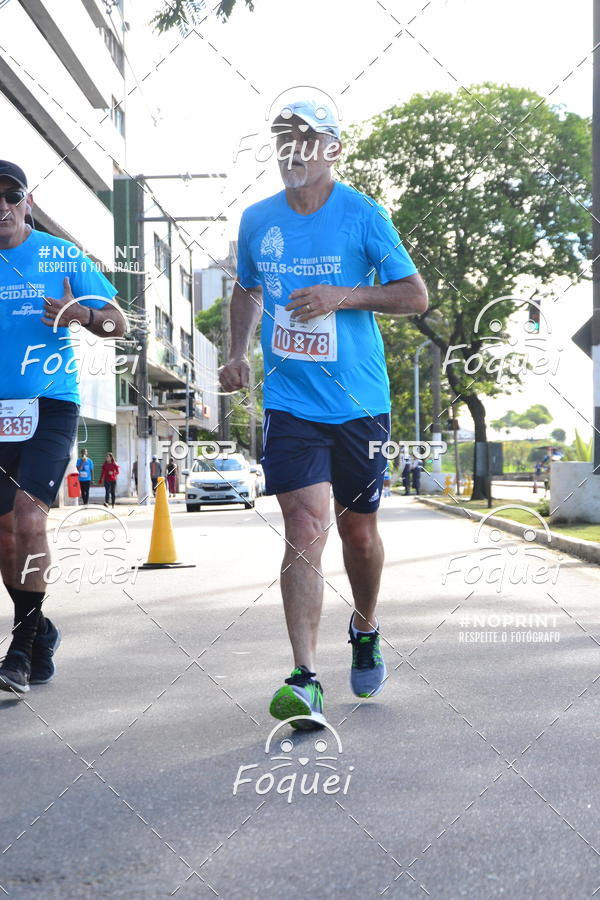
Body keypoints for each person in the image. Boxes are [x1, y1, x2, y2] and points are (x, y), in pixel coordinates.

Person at [220, 100, 428, 728]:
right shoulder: (257, 219)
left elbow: (414, 295)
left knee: (358, 531)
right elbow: (247, 286)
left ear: (333, 149)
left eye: (308, 140)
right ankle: (305, 676)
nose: (295, 150)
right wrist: (238, 353)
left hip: (360, 402)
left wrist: (346, 294)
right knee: (306, 529)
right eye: (284, 139)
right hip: (291, 403)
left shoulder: (363, 214)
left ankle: (365, 626)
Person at [0, 159, 127, 693]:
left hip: (51, 403)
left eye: (11, 197)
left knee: (30, 519)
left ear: (27, 201)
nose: (1, 208)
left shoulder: (59, 253)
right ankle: (40, 630)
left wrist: (77, 312)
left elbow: (116, 322)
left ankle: (19, 651)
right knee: (5, 535)